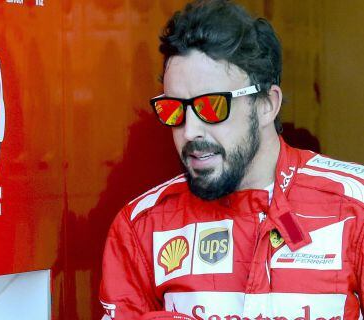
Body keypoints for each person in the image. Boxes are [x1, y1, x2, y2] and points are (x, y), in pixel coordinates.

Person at [99, 0, 364, 319]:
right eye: (174, 110)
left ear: (267, 104)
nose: (190, 130)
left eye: (212, 107)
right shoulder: (141, 227)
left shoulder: (354, 209)